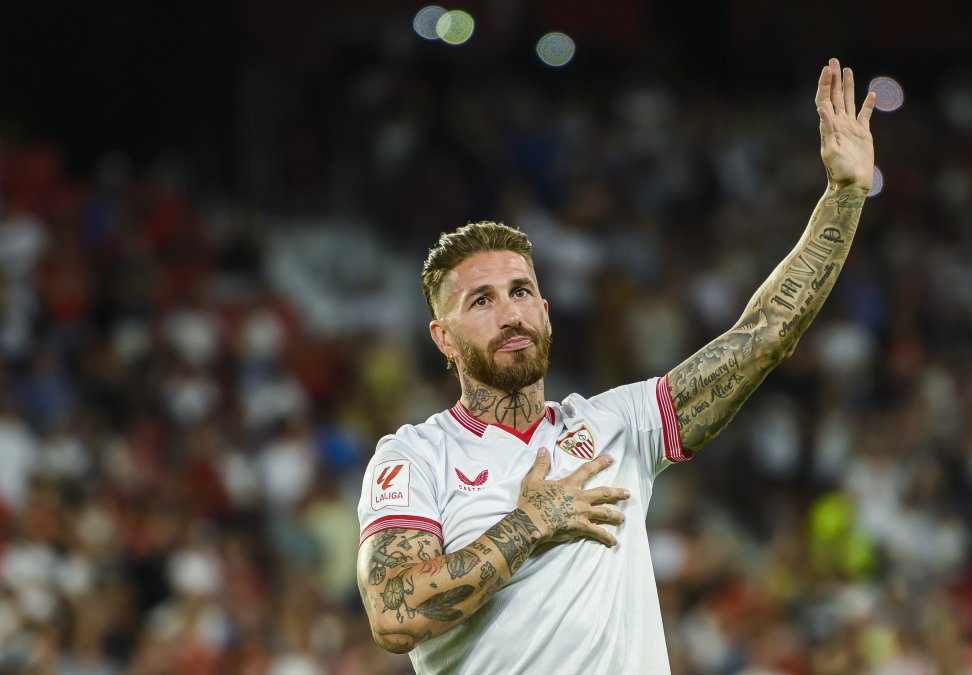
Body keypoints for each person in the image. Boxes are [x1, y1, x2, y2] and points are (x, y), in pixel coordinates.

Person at [356, 57, 878, 673]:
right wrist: (529, 525)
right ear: (443, 338)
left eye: (521, 292)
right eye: (482, 301)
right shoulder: (416, 456)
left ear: (547, 312)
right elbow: (394, 614)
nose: (510, 314)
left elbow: (761, 338)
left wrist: (844, 196)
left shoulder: (618, 425)